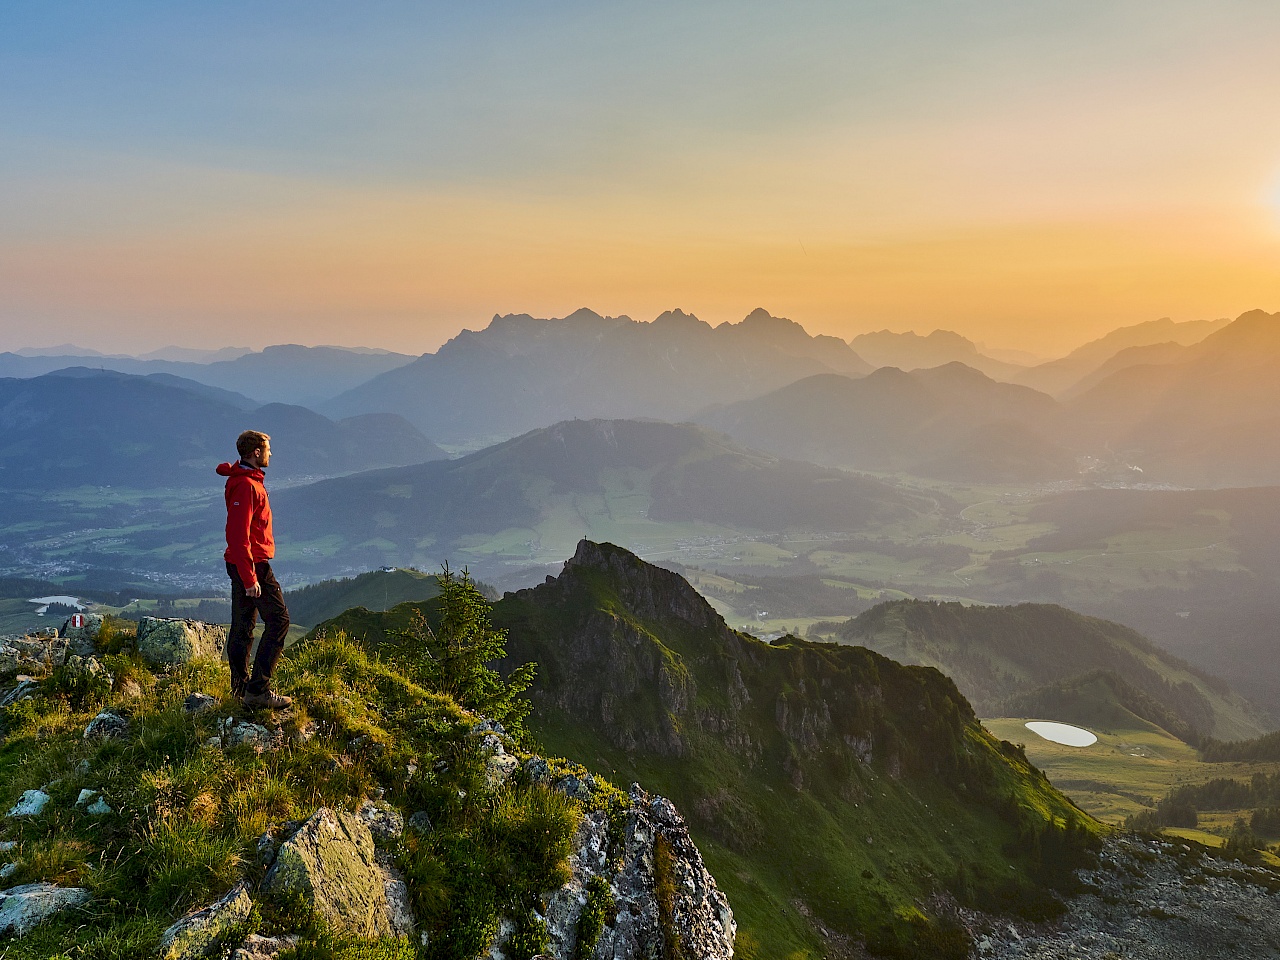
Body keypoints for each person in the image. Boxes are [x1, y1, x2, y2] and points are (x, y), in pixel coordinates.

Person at [217, 430, 292, 709]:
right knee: (279, 620)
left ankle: (240, 690)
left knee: (243, 626)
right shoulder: (247, 486)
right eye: (268, 449)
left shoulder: (246, 481)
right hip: (252, 563)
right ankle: (258, 690)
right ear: (256, 453)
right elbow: (238, 536)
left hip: (243, 562)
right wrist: (250, 577)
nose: (271, 454)